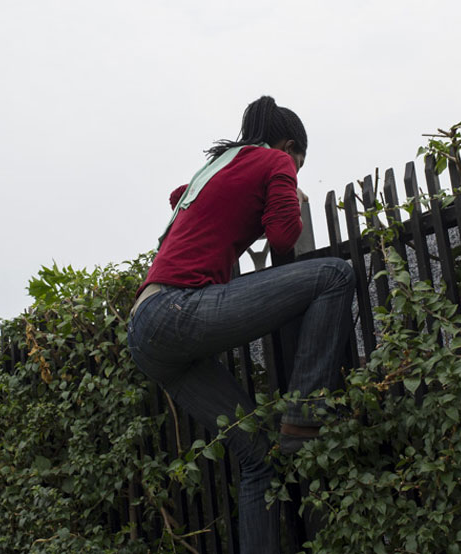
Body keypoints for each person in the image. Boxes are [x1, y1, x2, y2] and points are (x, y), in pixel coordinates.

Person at [126, 96, 355, 553]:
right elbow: (284, 235)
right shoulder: (273, 160)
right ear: (288, 145)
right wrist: (286, 185)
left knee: (258, 458)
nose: (294, 173)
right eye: (298, 164)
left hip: (145, 331)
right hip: (177, 310)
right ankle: (305, 417)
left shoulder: (213, 169)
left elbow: (179, 197)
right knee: (335, 275)